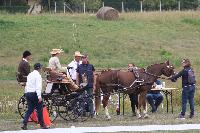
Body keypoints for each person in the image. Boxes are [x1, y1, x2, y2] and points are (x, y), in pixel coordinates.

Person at [21, 63, 48, 130]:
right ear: (39, 68)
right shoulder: (38, 76)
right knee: (39, 110)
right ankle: (42, 124)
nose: (41, 69)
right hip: (34, 94)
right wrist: (39, 96)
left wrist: (25, 93)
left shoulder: (30, 74)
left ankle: (24, 123)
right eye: (41, 68)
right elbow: (38, 86)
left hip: (28, 93)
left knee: (30, 109)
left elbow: (27, 84)